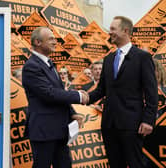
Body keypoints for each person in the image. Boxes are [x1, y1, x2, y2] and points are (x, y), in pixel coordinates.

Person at [87, 16, 158, 168]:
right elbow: (101, 90)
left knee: (135, 164)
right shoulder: (108, 59)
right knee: (115, 164)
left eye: (113, 29)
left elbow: (152, 93)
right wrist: (82, 97)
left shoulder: (142, 57)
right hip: (109, 124)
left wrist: (148, 120)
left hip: (132, 124)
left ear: (125, 31)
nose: (109, 32)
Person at [22, 27, 88, 168]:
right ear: (38, 42)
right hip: (44, 131)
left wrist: (72, 114)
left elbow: (59, 92)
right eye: (51, 39)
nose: (55, 41)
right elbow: (49, 94)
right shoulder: (31, 66)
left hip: (60, 130)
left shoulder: (49, 63)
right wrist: (78, 96)